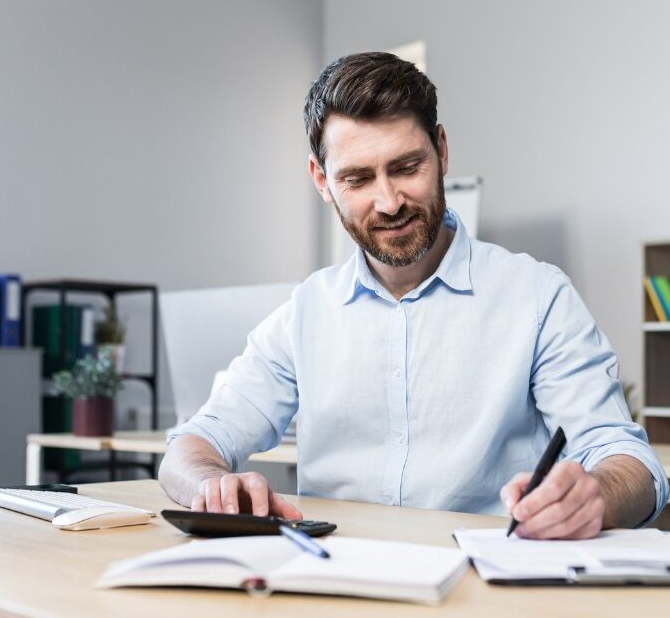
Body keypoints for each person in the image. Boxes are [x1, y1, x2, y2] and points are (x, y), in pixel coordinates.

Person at [159, 52, 668, 540]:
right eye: (357, 178)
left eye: (406, 167)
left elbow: (630, 461)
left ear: (441, 150)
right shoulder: (306, 312)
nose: (389, 201)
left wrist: (596, 494)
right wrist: (210, 483)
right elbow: (193, 444)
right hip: (333, 576)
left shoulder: (537, 297)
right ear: (321, 180)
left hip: (484, 586)